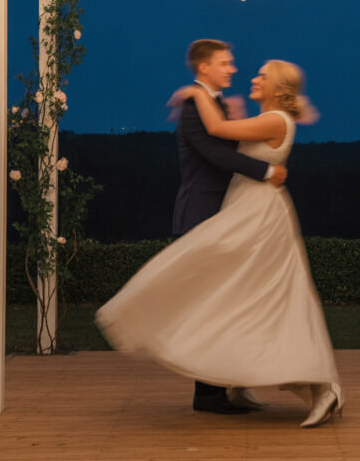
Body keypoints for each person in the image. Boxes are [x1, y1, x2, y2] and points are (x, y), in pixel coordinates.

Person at [95, 57, 343, 428]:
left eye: (262, 76)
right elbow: (232, 125)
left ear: (277, 88)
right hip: (246, 206)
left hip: (257, 215)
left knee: (245, 290)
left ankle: (322, 387)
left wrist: (195, 90)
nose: (253, 78)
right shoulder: (264, 118)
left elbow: (217, 127)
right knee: (239, 295)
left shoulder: (275, 120)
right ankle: (239, 380)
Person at [173, 39, 286, 415]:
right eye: (225, 63)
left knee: (222, 304)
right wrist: (267, 171)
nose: (232, 68)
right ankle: (208, 395)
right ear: (204, 68)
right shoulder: (195, 107)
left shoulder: (213, 103)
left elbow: (228, 135)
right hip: (202, 212)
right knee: (209, 305)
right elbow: (215, 153)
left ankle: (221, 387)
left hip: (224, 213)